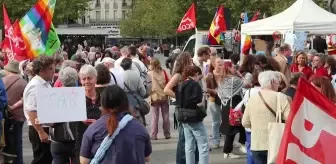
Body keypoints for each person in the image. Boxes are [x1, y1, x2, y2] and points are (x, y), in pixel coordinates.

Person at [80, 85, 152, 164]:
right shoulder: (139, 127)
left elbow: (84, 161)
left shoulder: (93, 128)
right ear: (125, 102)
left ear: (103, 104)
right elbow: (147, 157)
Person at [242, 71, 291, 164]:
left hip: (257, 144)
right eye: (278, 82)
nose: (279, 85)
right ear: (272, 81)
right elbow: (290, 119)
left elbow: (245, 122)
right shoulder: (281, 97)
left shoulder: (252, 98)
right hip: (276, 144)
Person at [23, 56, 55, 164]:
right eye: (50, 68)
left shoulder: (43, 83)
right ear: (42, 71)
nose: (53, 71)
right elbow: (32, 111)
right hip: (39, 127)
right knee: (41, 159)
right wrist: (40, 132)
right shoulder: (36, 86)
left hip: (44, 126)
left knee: (46, 158)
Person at [176, 65, 209, 164]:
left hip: (183, 116)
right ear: (196, 74)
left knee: (189, 145)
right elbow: (198, 101)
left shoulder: (181, 84)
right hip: (194, 117)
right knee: (203, 146)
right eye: (199, 75)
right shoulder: (195, 85)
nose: (200, 78)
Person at [217, 61, 246, 159]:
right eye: (233, 67)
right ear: (228, 68)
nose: (235, 69)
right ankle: (228, 151)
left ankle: (229, 150)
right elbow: (247, 83)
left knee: (229, 128)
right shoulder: (235, 80)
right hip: (234, 106)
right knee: (235, 127)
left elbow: (220, 93)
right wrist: (240, 75)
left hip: (225, 105)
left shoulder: (221, 80)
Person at [50, 67, 78, 164]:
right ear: (76, 78)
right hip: (76, 140)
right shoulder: (81, 95)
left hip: (57, 139)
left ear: (60, 80)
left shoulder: (52, 96)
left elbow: (48, 121)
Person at [75, 65, 102, 161]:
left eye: (90, 78)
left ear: (96, 79)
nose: (86, 81)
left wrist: (98, 124)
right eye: (84, 79)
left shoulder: (103, 98)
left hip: (100, 142)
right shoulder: (75, 99)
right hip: (81, 142)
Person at [2, 60, 25, 164]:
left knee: (4, 143)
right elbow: (26, 100)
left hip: (4, 117)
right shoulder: (23, 82)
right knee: (18, 144)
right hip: (18, 118)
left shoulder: (2, 81)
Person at [148, 58, 170, 140]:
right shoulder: (164, 72)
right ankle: (167, 134)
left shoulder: (149, 73)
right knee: (166, 116)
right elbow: (169, 82)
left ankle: (154, 135)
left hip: (154, 97)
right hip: (164, 96)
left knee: (154, 117)